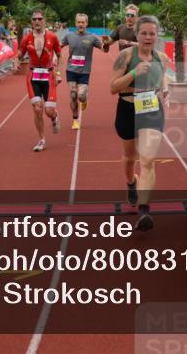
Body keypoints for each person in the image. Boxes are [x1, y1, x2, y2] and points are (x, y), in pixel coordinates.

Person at [110, 15, 170, 231]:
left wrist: (165, 89)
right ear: (137, 34)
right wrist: (134, 73)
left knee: (148, 160)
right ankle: (131, 184)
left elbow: (161, 77)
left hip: (151, 110)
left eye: (152, 33)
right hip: (127, 109)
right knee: (130, 158)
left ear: (157, 36)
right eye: (143, 33)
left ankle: (144, 210)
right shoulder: (126, 56)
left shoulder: (162, 58)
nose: (148, 37)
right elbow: (113, 87)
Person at [15, 8, 62, 151]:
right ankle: (41, 139)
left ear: (44, 20)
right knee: (37, 109)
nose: (37, 21)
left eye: (40, 19)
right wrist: (16, 61)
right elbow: (20, 53)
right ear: (31, 21)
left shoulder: (52, 37)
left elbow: (60, 55)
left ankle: (54, 116)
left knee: (48, 111)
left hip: (48, 75)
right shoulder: (26, 38)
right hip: (33, 75)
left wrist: (58, 72)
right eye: (34, 19)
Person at [60, 13, 108, 130]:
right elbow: (59, 46)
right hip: (71, 69)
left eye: (83, 22)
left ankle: (84, 100)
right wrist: (53, 54)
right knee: (73, 94)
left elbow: (104, 50)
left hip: (84, 71)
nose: (80, 24)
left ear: (86, 23)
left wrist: (106, 44)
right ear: (75, 23)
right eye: (79, 22)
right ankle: (75, 119)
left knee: (80, 96)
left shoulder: (92, 37)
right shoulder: (69, 36)